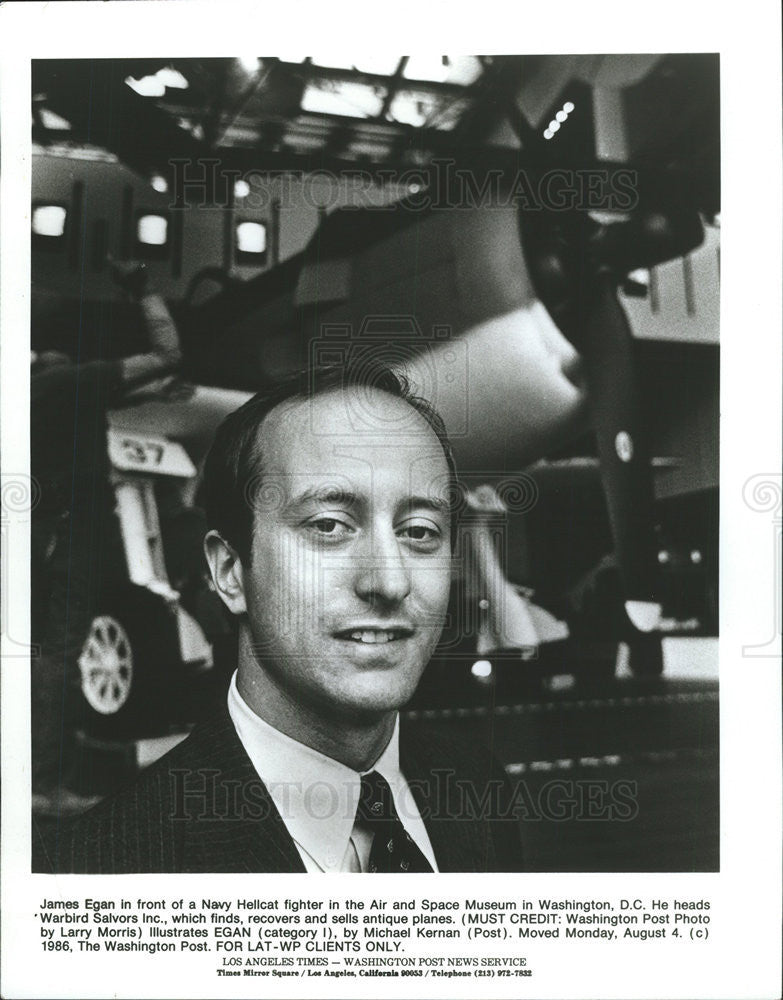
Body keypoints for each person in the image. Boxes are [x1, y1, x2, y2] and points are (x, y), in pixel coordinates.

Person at [33, 363, 523, 873]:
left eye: (419, 532)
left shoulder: (479, 788)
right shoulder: (99, 869)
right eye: (329, 525)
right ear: (230, 572)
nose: (390, 582)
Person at [31, 262, 184, 815]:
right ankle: (43, 785)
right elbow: (168, 354)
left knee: (31, 649)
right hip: (76, 524)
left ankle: (34, 776)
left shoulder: (36, 390)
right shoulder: (78, 380)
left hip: (37, 526)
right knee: (59, 652)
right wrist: (145, 292)